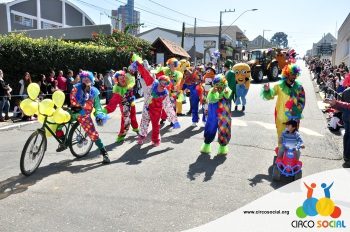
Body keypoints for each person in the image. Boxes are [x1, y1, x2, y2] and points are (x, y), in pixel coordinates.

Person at [135, 59, 180, 146]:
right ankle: (141, 137)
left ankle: (155, 140)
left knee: (156, 126)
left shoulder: (165, 93)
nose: (163, 84)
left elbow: (168, 107)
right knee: (144, 122)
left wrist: (174, 121)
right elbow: (145, 73)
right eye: (162, 81)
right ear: (159, 80)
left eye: (165, 83)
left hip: (156, 111)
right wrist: (137, 65)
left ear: (167, 84)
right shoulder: (152, 83)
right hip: (147, 107)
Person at [70, 71, 110, 164]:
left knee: (92, 133)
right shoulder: (76, 88)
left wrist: (99, 115)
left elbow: (98, 106)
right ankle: (62, 137)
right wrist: (78, 106)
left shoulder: (94, 92)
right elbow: (72, 100)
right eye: (84, 79)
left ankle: (104, 152)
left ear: (91, 81)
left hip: (84, 114)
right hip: (73, 112)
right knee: (59, 121)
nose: (85, 81)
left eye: (88, 79)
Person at [262, 64, 305, 150]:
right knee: (281, 135)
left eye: (296, 74)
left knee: (293, 135)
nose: (294, 76)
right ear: (287, 74)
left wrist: (297, 110)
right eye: (292, 74)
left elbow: (302, 101)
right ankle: (281, 152)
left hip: (294, 117)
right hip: (281, 116)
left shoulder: (299, 87)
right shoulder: (279, 86)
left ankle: (291, 155)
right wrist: (267, 90)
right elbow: (270, 95)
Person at [103, 70, 139, 143]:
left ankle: (135, 128)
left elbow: (132, 75)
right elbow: (113, 102)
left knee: (133, 116)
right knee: (126, 120)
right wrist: (105, 110)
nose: (123, 80)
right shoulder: (118, 89)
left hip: (131, 103)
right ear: (117, 80)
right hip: (124, 105)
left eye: (123, 78)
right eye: (120, 78)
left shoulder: (129, 84)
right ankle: (121, 135)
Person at [200, 75, 232, 155]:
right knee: (210, 128)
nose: (219, 86)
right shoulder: (212, 90)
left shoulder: (227, 89)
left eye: (221, 84)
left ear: (224, 84)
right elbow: (210, 99)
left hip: (224, 115)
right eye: (217, 84)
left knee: (224, 130)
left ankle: (223, 147)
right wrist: (213, 92)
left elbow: (227, 95)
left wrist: (225, 92)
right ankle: (206, 145)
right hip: (213, 114)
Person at [325, 97, 350, 164]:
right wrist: (336, 103)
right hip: (347, 114)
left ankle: (346, 156)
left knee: (347, 135)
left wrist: (336, 103)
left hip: (346, 115)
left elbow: (346, 105)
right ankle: (347, 156)